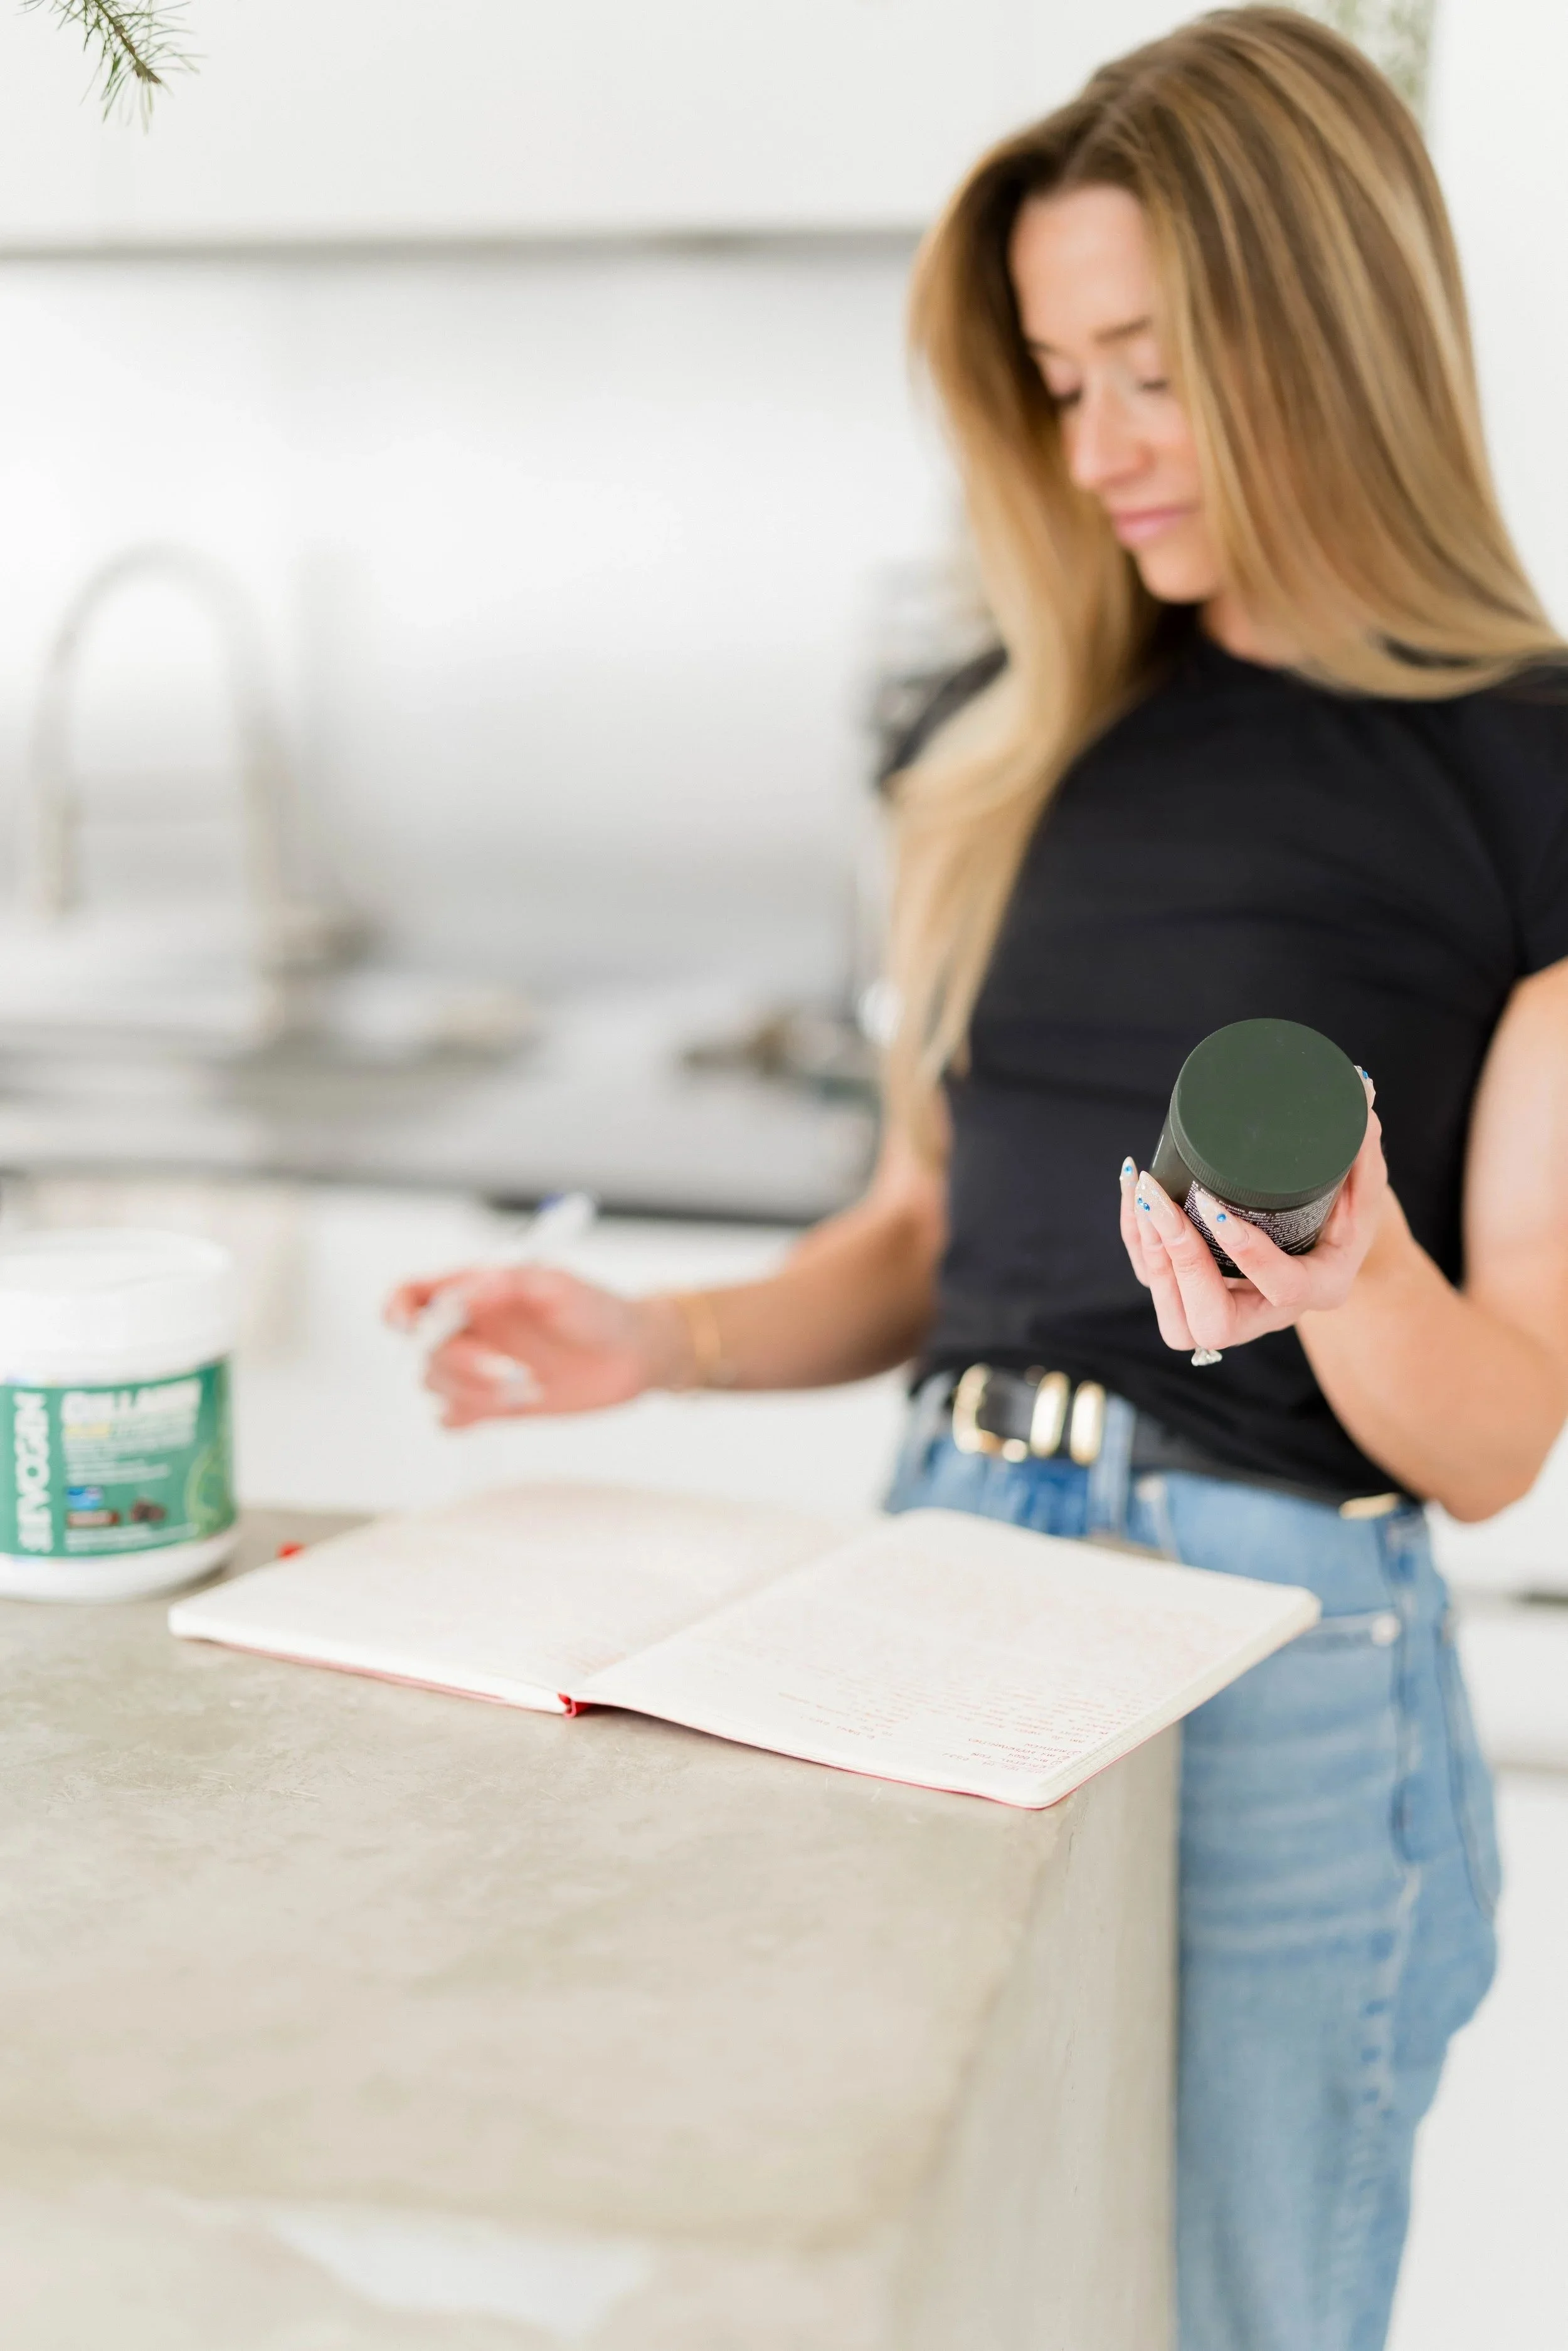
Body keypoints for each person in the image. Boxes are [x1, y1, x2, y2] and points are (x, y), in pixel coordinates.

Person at [386, 12, 1568, 2345]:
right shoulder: (1001, 743)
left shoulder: (1525, 778)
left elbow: (1498, 1421)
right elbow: (929, 1234)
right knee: (933, 2291)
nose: (1092, 445)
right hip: (931, 1574)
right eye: (1054, 378)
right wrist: (660, 1342)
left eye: (1146, 367)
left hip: (1276, 1659)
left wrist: (1342, 1270)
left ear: (1317, 335)